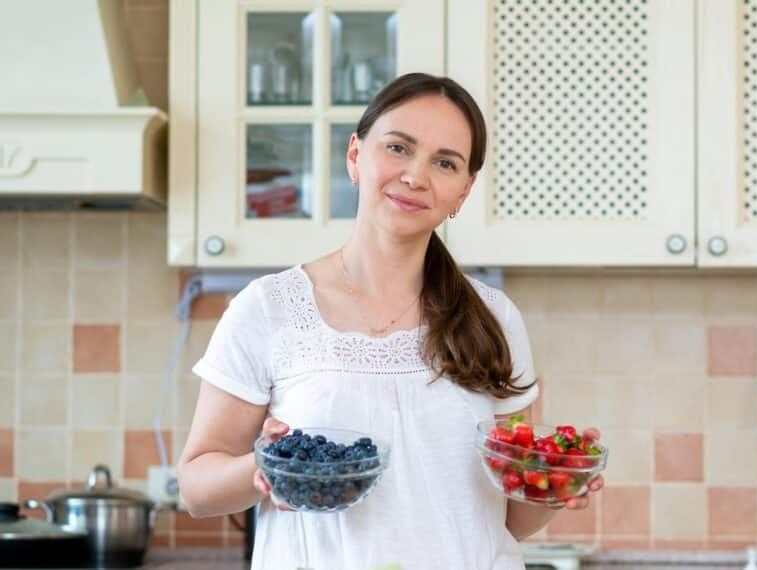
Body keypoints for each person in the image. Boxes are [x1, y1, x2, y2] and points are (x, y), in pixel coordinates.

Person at [177, 72, 604, 570]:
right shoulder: (267, 308)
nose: (416, 176)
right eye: (399, 148)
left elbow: (511, 518)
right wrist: (269, 467)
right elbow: (196, 489)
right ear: (356, 155)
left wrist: (550, 483)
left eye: (444, 163)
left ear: (463, 192)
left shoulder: (493, 318)